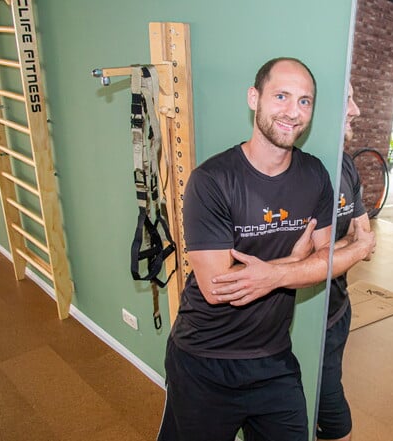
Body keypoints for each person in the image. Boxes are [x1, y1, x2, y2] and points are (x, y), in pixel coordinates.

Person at [157, 58, 375, 441]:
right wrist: (295, 262)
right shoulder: (212, 180)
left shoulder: (313, 175)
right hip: (204, 360)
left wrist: (279, 272)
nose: (293, 111)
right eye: (281, 96)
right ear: (254, 98)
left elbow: (327, 260)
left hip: (273, 360)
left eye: (305, 101)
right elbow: (218, 288)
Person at [314, 83, 370, 441]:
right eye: (346, 98)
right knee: (334, 418)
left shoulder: (346, 164)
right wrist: (352, 246)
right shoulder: (306, 169)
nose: (356, 110)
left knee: (325, 394)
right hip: (301, 318)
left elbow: (367, 239)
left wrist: (348, 248)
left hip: (337, 309)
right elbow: (357, 242)